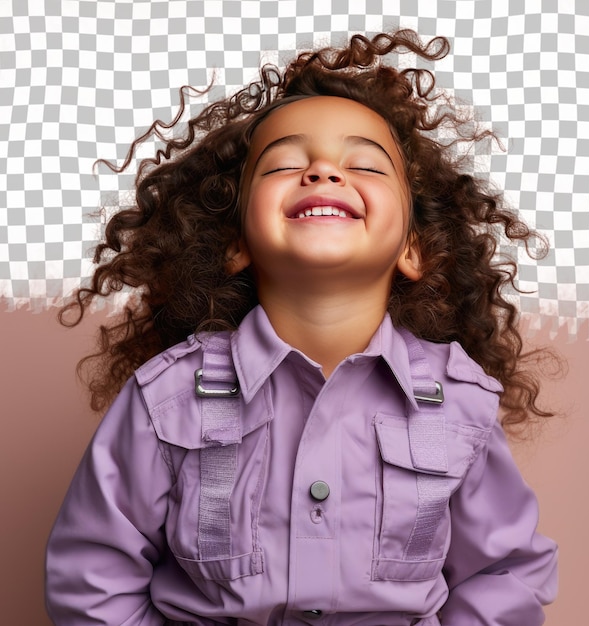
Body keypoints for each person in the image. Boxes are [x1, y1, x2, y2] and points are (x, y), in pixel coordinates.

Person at [45, 30, 559, 625]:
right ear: (235, 243)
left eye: (364, 164)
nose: (321, 172)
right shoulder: (166, 398)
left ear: (414, 248)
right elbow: (93, 577)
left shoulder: (458, 405)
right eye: (285, 164)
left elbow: (503, 575)